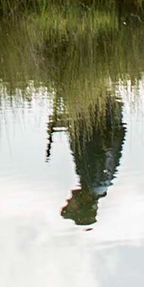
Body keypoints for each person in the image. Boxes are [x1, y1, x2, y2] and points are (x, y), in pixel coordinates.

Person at [51, 89, 125, 229]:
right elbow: (94, 141)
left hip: (101, 109)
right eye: (71, 205)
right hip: (97, 107)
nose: (69, 199)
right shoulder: (95, 180)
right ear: (83, 203)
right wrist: (75, 120)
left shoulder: (96, 183)